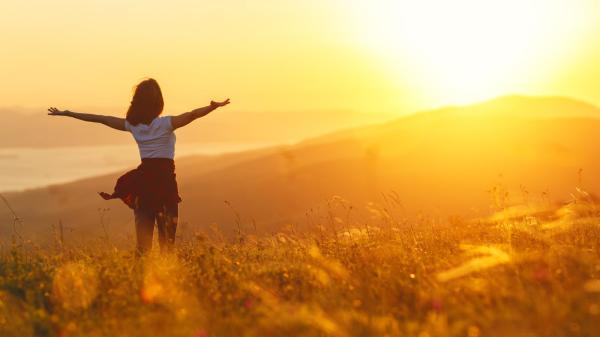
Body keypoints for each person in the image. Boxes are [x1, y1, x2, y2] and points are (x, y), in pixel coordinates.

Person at [48, 78, 230, 254]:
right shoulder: (166, 124)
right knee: (167, 245)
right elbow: (192, 115)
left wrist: (68, 113)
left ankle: (138, 280)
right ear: (158, 102)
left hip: (143, 186)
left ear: (137, 102)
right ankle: (165, 280)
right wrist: (212, 107)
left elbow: (100, 118)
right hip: (165, 185)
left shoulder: (133, 126)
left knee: (143, 247)